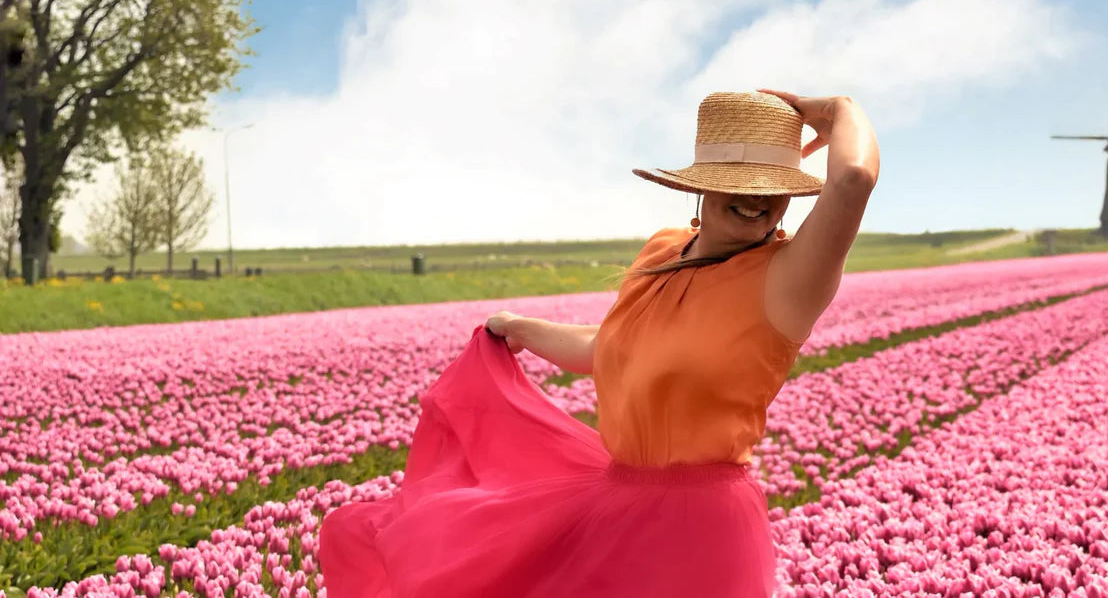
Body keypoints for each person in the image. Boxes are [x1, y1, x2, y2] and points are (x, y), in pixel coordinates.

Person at [318, 90, 880, 597]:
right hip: (617, 504)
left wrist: (833, 110)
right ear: (702, 182)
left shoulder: (790, 279)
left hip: (702, 528)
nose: (757, 201)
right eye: (737, 182)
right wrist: (523, 329)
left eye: (774, 190)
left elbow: (853, 178)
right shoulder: (664, 251)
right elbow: (617, 346)